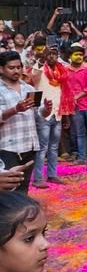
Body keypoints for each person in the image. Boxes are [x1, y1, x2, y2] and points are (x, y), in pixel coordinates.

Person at [29, 45, 73, 189]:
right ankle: (37, 178)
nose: (52, 56)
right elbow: (32, 80)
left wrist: (65, 116)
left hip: (58, 114)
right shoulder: (40, 70)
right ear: (45, 56)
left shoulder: (61, 72)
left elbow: (64, 96)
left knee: (53, 147)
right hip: (43, 115)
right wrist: (42, 57)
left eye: (55, 54)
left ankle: (52, 175)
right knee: (42, 148)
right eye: (49, 54)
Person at [0, 52, 40, 194]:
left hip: (29, 145)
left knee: (23, 188)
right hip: (8, 148)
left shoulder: (28, 88)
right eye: (11, 68)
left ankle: (22, 216)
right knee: (8, 190)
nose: (16, 71)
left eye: (19, 67)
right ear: (1, 69)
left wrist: (46, 109)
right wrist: (16, 109)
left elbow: (39, 115)